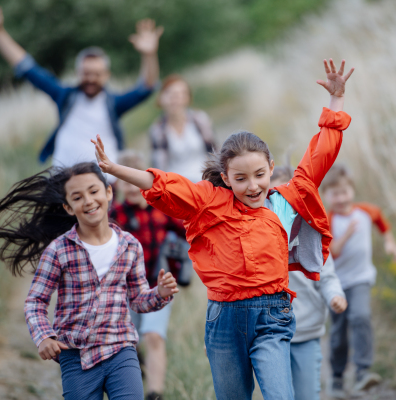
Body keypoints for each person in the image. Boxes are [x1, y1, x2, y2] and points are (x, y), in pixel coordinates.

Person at [92, 58, 355, 399]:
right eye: (241, 179)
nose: (253, 186)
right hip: (224, 320)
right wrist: (114, 168)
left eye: (260, 175)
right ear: (227, 178)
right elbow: (164, 185)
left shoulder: (287, 200)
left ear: (271, 168)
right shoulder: (209, 202)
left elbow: (321, 154)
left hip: (272, 316)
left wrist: (336, 101)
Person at [0, 162, 179, 400]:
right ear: (68, 207)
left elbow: (137, 301)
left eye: (94, 191)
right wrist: (44, 336)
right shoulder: (58, 250)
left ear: (108, 192)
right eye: (78, 197)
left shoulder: (130, 245)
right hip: (76, 356)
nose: (88, 201)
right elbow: (35, 301)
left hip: (121, 349)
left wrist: (159, 293)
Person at [0, 1, 163, 169]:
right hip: (64, 180)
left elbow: (145, 88)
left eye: (96, 74)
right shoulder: (65, 96)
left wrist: (149, 55)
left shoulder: (114, 103)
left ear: (106, 75)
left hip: (104, 182)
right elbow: (28, 68)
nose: (90, 78)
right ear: (78, 73)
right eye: (86, 73)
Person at [110, 151, 187, 400]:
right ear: (117, 184)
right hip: (124, 290)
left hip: (158, 285)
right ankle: (134, 374)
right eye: (125, 182)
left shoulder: (162, 210)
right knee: (128, 342)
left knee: (153, 335)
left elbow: (189, 229)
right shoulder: (116, 215)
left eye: (136, 181)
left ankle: (155, 393)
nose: (131, 188)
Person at [321, 164, 396, 397]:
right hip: (336, 283)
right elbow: (332, 251)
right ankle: (336, 379)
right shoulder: (328, 221)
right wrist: (346, 235)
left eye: (344, 192)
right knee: (338, 331)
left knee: (361, 316)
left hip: (361, 279)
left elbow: (380, 220)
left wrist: (390, 242)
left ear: (352, 191)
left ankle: (362, 372)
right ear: (326, 196)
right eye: (334, 194)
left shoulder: (364, 211)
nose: (341, 198)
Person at [270, 167, 348, 400]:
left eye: (288, 197)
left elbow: (328, 276)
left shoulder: (310, 236)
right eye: (274, 198)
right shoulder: (259, 240)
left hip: (307, 330)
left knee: (306, 393)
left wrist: (334, 295)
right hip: (270, 336)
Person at [150, 74, 215, 183]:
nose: (175, 99)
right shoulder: (158, 130)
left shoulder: (200, 120)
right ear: (161, 98)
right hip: (177, 186)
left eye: (181, 94)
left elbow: (214, 151)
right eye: (171, 94)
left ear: (188, 98)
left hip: (205, 181)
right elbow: (159, 166)